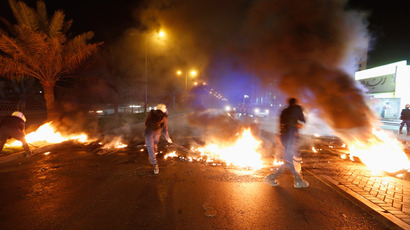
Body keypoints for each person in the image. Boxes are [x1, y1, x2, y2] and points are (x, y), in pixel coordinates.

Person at [264, 98, 309, 188]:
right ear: (295, 103)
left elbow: (281, 125)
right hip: (290, 137)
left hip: (284, 136)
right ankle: (295, 181)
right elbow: (302, 120)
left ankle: (297, 180)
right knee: (289, 160)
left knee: (290, 159)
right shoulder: (297, 108)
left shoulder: (284, 111)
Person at [144, 104, 172, 174]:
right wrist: (168, 138)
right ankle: (154, 159)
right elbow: (165, 130)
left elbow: (146, 123)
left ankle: (155, 164)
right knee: (155, 145)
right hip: (157, 133)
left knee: (150, 148)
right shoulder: (164, 117)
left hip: (148, 132)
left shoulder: (151, 113)